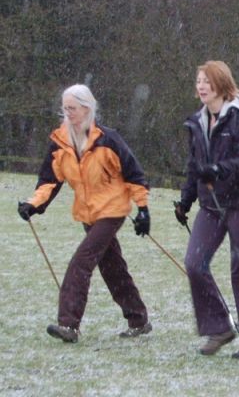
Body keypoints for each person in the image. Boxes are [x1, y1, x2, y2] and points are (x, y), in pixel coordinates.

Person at [18, 84, 152, 343]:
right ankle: (139, 319)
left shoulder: (108, 139)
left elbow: (134, 175)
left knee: (82, 261)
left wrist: (143, 210)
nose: (68, 113)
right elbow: (49, 180)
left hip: (112, 210)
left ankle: (69, 324)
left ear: (87, 108)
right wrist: (33, 204)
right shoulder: (60, 141)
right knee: (112, 267)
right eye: (65, 108)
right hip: (88, 213)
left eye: (73, 108)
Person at [173, 61, 239, 360]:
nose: (201, 86)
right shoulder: (197, 122)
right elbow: (194, 167)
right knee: (194, 262)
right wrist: (185, 200)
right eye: (199, 81)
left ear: (221, 85)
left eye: (207, 81)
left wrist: (219, 170)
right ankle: (219, 327)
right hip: (210, 206)